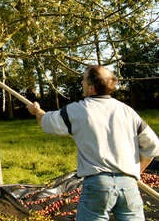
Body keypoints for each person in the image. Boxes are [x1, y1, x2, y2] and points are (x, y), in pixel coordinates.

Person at [26, 65, 159, 221]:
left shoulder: (78, 110)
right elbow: (153, 146)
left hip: (98, 185)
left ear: (91, 87)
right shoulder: (127, 111)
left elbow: (46, 122)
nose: (81, 82)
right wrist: (136, 172)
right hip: (128, 184)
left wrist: (36, 111)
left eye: (83, 79)